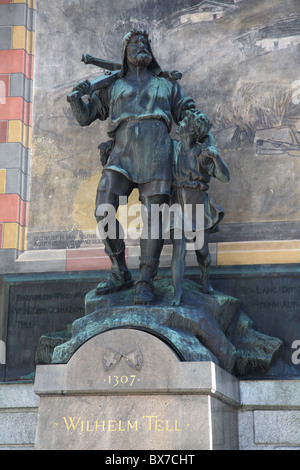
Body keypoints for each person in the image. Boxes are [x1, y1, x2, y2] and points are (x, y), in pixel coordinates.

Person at [68, 29, 212, 304]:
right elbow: (86, 117)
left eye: (145, 43)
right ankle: (120, 270)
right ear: (125, 51)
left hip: (157, 152)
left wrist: (201, 125)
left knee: (154, 218)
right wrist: (77, 99)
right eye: (135, 43)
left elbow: (190, 113)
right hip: (121, 152)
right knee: (104, 208)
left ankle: (145, 280)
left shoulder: (167, 85)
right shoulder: (112, 85)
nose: (142, 46)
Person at [170, 111, 230, 306]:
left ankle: (205, 278)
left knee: (202, 251)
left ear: (193, 131)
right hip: (176, 205)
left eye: (185, 121)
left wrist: (216, 156)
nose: (181, 122)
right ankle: (177, 291)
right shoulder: (172, 148)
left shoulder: (203, 153)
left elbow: (225, 177)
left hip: (198, 205)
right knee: (178, 250)